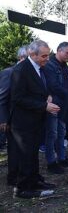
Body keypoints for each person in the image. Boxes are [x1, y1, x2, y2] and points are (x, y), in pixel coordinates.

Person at [10, 40, 59, 198]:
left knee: (33, 154)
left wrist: (47, 96)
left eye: (48, 55)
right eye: (44, 56)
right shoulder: (21, 70)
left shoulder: (40, 68)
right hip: (24, 123)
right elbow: (18, 98)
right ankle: (22, 188)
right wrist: (43, 106)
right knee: (26, 155)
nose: (47, 58)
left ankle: (35, 180)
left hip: (36, 121)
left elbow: (37, 89)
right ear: (32, 54)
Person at [43, 42, 68, 174]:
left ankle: (61, 158)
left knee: (61, 132)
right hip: (53, 105)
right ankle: (51, 162)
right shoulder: (50, 64)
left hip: (63, 105)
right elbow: (53, 86)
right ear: (59, 51)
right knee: (52, 134)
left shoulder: (64, 66)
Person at [0, 45, 27, 185]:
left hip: (25, 119)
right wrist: (3, 119)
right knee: (14, 150)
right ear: (21, 57)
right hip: (11, 119)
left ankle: (22, 175)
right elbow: (2, 98)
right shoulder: (8, 73)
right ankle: (13, 177)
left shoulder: (28, 73)